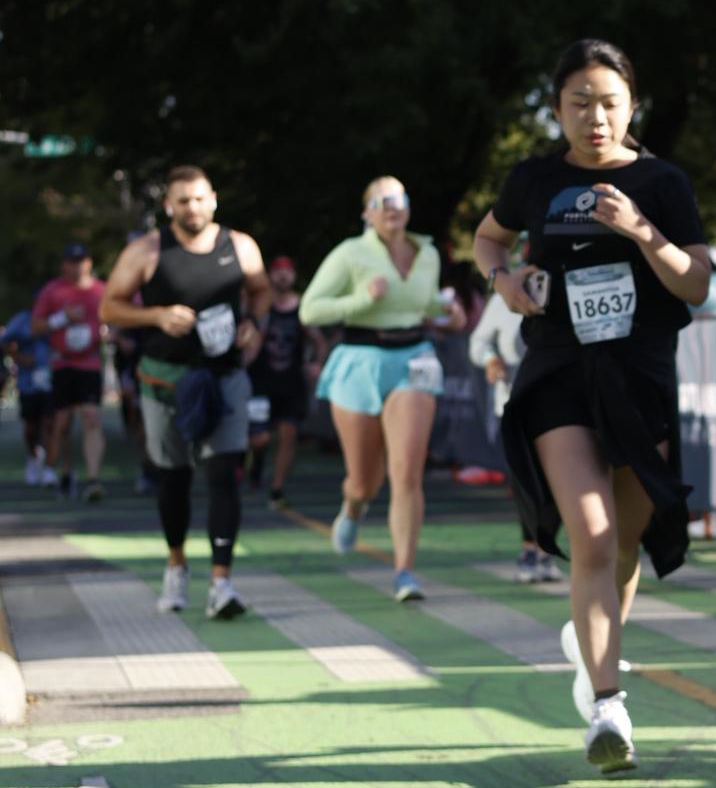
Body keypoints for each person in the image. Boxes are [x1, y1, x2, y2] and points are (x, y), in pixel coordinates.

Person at [471, 38, 712, 776]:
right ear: (556, 109)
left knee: (625, 545)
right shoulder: (535, 178)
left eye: (609, 102)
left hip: (639, 377)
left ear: (631, 106)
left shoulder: (661, 182)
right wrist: (504, 281)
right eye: (579, 103)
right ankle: (608, 706)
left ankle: (592, 643)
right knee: (595, 536)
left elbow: (696, 282)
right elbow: (488, 239)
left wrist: (642, 231)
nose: (595, 117)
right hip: (560, 374)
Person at [100, 166, 271, 617]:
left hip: (224, 376)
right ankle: (176, 565)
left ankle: (222, 582)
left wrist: (253, 323)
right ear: (168, 206)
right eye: (183, 201)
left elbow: (261, 291)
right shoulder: (147, 250)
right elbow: (109, 307)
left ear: (213, 199)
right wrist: (156, 316)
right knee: (173, 478)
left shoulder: (240, 246)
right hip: (166, 380)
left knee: (224, 473)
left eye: (199, 199)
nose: (192, 208)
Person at [301, 179, 464, 601]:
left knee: (407, 471)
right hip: (360, 361)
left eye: (399, 199)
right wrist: (361, 300)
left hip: (413, 360)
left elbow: (424, 303)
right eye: (382, 201)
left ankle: (404, 572)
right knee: (364, 482)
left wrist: (448, 312)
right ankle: (353, 506)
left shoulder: (427, 253)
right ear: (367, 212)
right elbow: (310, 310)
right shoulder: (350, 253)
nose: (392, 207)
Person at [468, 279, 564, 584]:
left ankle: (546, 550)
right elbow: (478, 343)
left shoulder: (565, 292)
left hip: (561, 404)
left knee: (559, 480)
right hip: (514, 404)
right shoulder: (503, 298)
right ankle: (529, 548)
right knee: (525, 480)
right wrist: (490, 359)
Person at [31, 239, 107, 501]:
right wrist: (62, 318)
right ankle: (66, 472)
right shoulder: (53, 291)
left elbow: (116, 318)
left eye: (81, 261)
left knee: (91, 418)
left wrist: (112, 333)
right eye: (72, 262)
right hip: (62, 364)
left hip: (90, 363)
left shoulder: (101, 290)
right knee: (62, 422)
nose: (77, 267)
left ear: (89, 263)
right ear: (64, 265)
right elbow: (35, 326)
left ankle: (93, 479)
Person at [246, 256, 324, 508]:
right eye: (278, 271)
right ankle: (255, 463)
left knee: (288, 435)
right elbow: (248, 339)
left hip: (291, 384)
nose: (282, 276)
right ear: (270, 275)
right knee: (260, 438)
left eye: (287, 271)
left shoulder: (302, 308)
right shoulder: (262, 307)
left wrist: (317, 363)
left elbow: (319, 341)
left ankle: (277, 488)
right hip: (261, 382)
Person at [1, 304, 55, 485]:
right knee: (31, 426)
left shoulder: (58, 319)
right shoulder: (22, 320)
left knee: (50, 423)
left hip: (52, 381)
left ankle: (48, 467)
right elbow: (4, 341)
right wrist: (19, 357)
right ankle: (33, 457)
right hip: (28, 383)